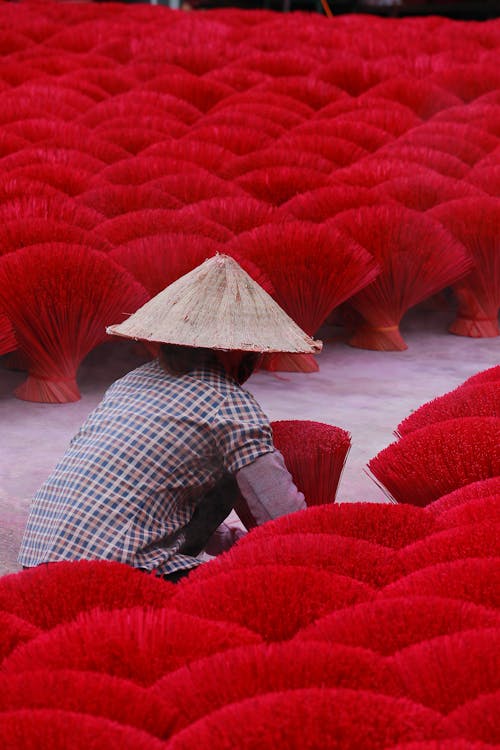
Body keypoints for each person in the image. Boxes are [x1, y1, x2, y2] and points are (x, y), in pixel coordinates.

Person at [18, 254, 322, 582]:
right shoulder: (232, 407)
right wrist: (323, 548)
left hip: (38, 557)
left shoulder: (130, 382)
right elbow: (283, 517)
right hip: (112, 572)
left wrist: (234, 543)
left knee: (222, 473)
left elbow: (152, 501)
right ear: (239, 353)